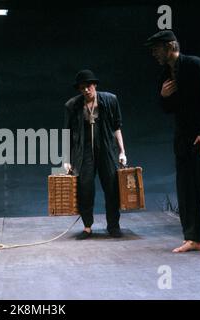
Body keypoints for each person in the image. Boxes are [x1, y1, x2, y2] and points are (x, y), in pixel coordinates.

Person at [145, 30, 200, 253]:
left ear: (170, 46)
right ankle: (193, 237)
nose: (154, 53)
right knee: (186, 188)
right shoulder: (164, 74)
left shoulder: (194, 64)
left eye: (157, 48)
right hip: (183, 138)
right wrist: (164, 96)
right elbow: (168, 110)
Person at [64, 69, 127, 239]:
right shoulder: (72, 105)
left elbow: (117, 127)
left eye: (89, 86)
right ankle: (87, 227)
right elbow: (67, 133)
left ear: (95, 85)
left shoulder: (110, 100)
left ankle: (113, 226)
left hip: (106, 150)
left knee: (112, 188)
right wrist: (66, 159)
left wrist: (122, 151)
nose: (86, 90)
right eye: (82, 87)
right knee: (85, 188)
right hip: (84, 153)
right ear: (79, 89)